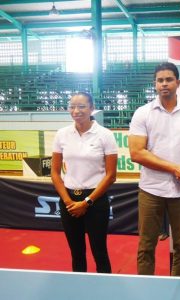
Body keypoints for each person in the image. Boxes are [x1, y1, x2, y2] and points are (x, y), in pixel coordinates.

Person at [128, 62, 180, 276]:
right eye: (160, 80)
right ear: (155, 84)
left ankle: (179, 288)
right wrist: (175, 169)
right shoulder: (142, 113)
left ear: (178, 83)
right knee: (146, 246)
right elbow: (136, 153)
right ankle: (147, 289)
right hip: (150, 190)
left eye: (168, 79)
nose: (164, 84)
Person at [51, 92, 118, 273]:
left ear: (92, 108)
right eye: (72, 106)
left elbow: (111, 175)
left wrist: (87, 202)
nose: (76, 111)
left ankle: (105, 290)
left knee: (99, 251)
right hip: (69, 201)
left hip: (95, 200)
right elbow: (55, 173)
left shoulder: (105, 135)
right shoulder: (62, 134)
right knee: (77, 253)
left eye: (81, 106)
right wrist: (67, 202)